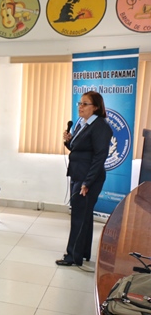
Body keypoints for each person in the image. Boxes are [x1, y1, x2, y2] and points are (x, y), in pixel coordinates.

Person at [56, 91, 112, 268]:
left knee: (79, 217)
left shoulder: (100, 126)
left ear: (95, 107)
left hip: (88, 178)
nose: (80, 107)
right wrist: (69, 141)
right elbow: (79, 149)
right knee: (84, 216)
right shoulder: (84, 123)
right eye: (79, 103)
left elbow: (100, 156)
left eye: (85, 104)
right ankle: (83, 253)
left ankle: (72, 256)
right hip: (78, 174)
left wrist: (87, 182)